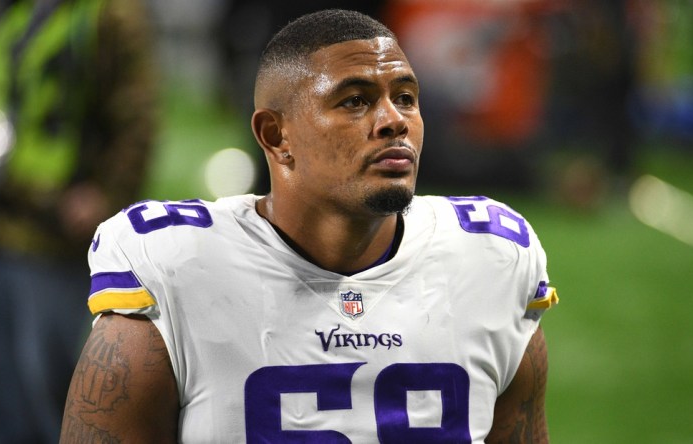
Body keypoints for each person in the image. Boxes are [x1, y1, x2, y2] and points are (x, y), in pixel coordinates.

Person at [61, 9, 558, 443]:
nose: (394, 121)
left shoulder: (491, 257)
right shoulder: (176, 269)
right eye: (355, 100)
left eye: (405, 97)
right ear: (277, 137)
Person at [0, 0, 156, 443]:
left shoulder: (108, 14)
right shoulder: (7, 12)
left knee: (60, 394)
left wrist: (106, 195)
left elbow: (136, 114)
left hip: (55, 239)